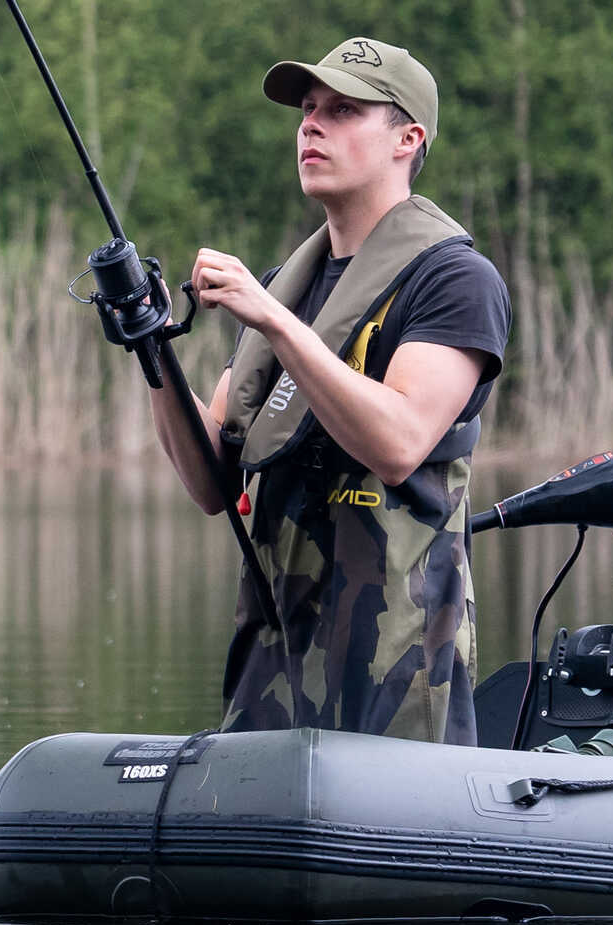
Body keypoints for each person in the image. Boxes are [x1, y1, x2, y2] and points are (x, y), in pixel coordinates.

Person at [149, 36, 510, 742]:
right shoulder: (289, 284)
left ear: (409, 137)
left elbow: (401, 442)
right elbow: (210, 483)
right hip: (271, 678)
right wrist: (151, 346)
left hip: (397, 684)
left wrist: (277, 322)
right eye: (308, 109)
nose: (311, 124)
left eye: (343, 110)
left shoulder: (455, 281)